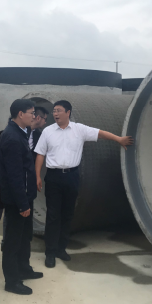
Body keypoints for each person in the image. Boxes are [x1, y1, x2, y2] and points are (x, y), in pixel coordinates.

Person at [35, 100, 134, 268]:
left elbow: (100, 133)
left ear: (68, 112)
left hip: (72, 176)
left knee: (68, 214)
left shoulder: (79, 129)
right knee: (53, 216)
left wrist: (119, 139)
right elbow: (40, 154)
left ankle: (61, 249)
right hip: (53, 177)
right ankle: (50, 252)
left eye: (58, 110)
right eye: (54, 111)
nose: (55, 114)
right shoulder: (47, 131)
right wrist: (37, 175)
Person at [0, 106, 50, 258]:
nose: (45, 122)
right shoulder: (10, 135)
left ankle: (11, 248)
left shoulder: (37, 135)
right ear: (37, 117)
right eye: (43, 118)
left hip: (24, 185)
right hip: (7, 182)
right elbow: (11, 169)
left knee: (16, 225)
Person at [0, 99, 43, 295]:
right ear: (20, 114)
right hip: (17, 200)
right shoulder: (12, 137)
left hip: (25, 197)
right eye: (31, 113)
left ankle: (24, 268)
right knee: (13, 240)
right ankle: (12, 281)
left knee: (25, 237)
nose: (34, 117)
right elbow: (15, 176)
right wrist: (22, 204)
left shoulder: (20, 133)